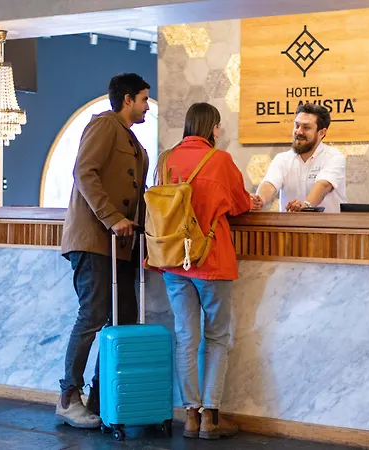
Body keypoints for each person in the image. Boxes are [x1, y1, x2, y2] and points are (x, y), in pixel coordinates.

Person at [56, 73, 150, 428]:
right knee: (92, 316)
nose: (146, 106)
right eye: (143, 99)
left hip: (120, 247)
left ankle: (100, 398)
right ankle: (69, 397)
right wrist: (112, 218)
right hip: (95, 241)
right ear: (127, 99)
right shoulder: (105, 125)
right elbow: (84, 172)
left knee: (123, 319)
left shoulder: (131, 138)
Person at [155, 102, 252, 440]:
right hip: (210, 259)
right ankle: (211, 417)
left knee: (186, 337)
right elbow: (240, 205)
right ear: (213, 128)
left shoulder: (166, 160)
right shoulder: (220, 160)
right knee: (217, 337)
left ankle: (190, 417)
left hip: (172, 259)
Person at [251, 103, 347, 213]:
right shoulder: (282, 159)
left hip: (329, 224)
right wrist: (260, 201)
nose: (299, 132)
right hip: (290, 224)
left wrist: (306, 205)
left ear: (321, 133)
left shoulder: (334, 157)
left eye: (306, 127)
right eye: (297, 126)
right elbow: (270, 184)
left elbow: (324, 185)